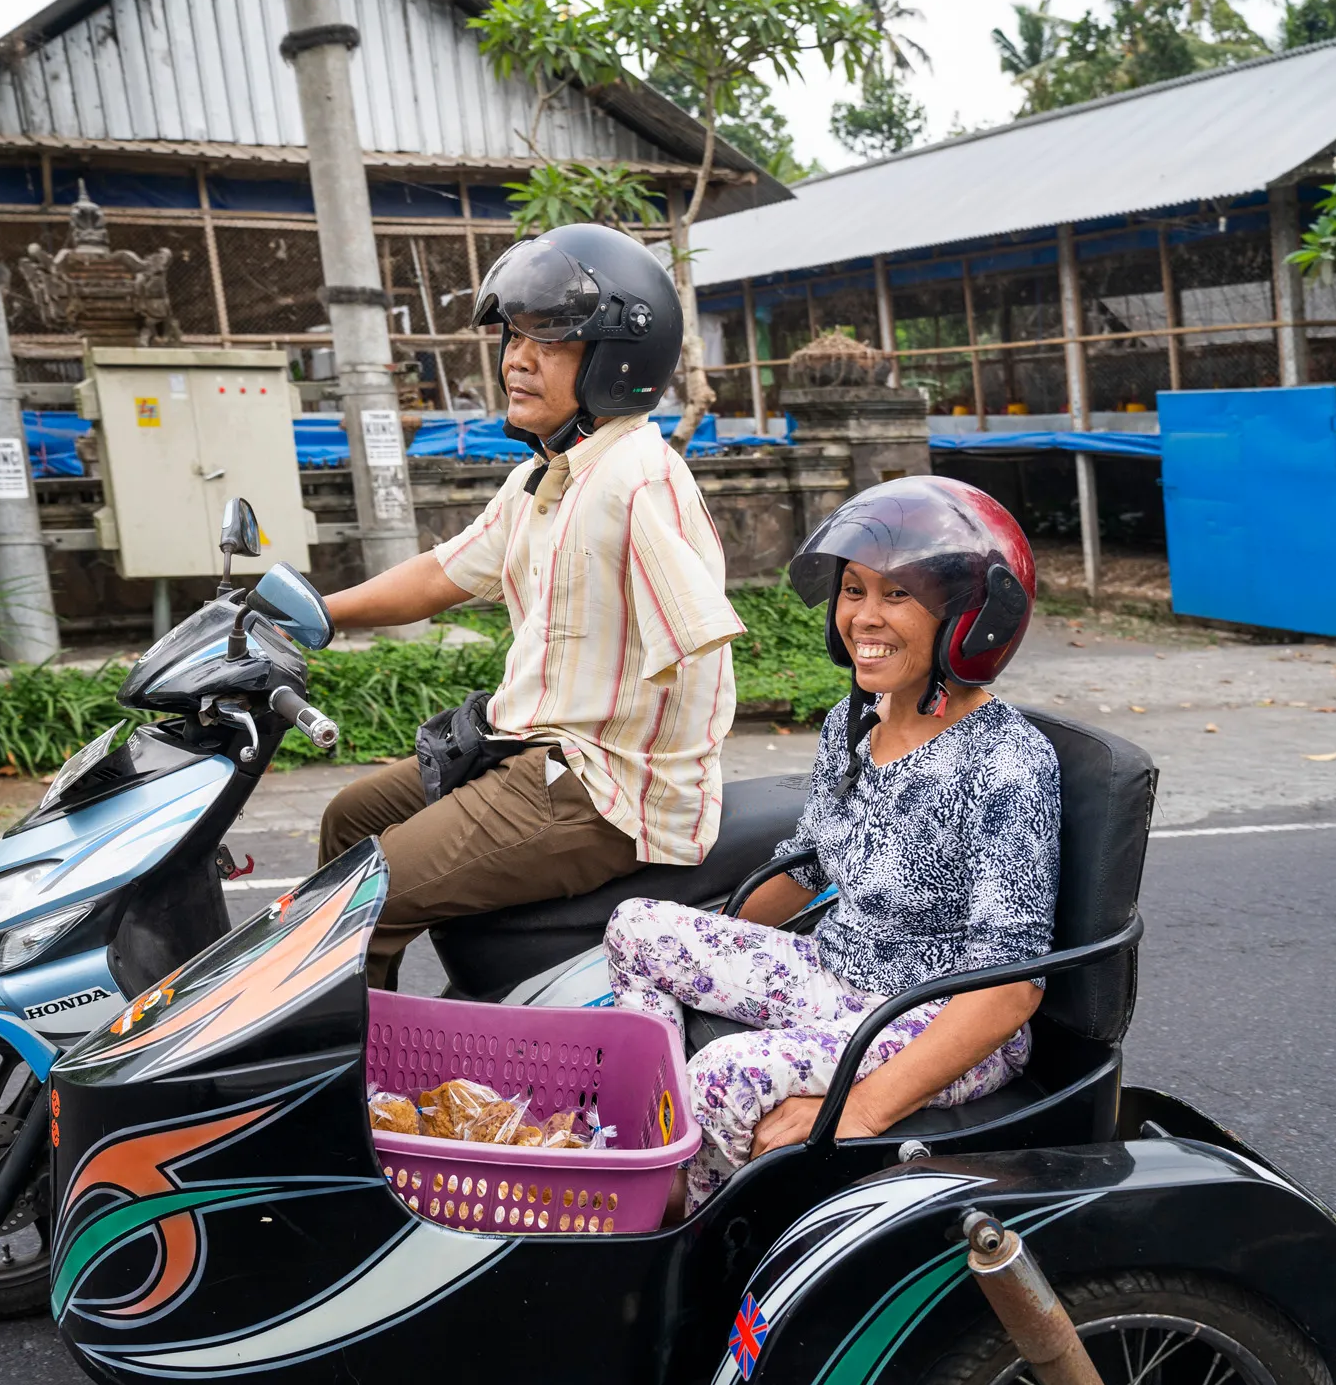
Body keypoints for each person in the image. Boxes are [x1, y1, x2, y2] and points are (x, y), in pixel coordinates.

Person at [603, 476, 1059, 1210]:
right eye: (854, 591)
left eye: (897, 595)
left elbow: (1009, 989)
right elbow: (811, 865)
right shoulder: (852, 726)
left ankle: (693, 1226)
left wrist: (861, 1106)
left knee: (722, 1075)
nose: (864, 617)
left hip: (935, 1015)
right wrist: (711, 959)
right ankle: (644, 1139)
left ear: (974, 621)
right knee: (636, 928)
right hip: (837, 971)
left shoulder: (1006, 761)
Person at [320, 224, 743, 992]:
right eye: (514, 337)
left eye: (548, 342)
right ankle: (357, 1027)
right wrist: (312, 615)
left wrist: (654, 765)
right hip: (528, 749)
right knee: (348, 821)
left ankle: (348, 1085)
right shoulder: (548, 478)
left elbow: (701, 650)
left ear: (616, 360)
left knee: (359, 897)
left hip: (600, 788)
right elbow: (442, 572)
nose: (515, 359)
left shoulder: (638, 477)